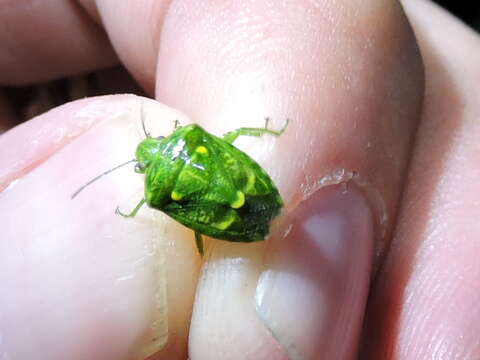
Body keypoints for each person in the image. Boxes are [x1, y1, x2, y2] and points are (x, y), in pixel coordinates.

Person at [0, 0, 478, 359]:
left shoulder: (157, 195)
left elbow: (194, 227)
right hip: (250, 183)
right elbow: (232, 138)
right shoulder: (187, 141)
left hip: (244, 216)